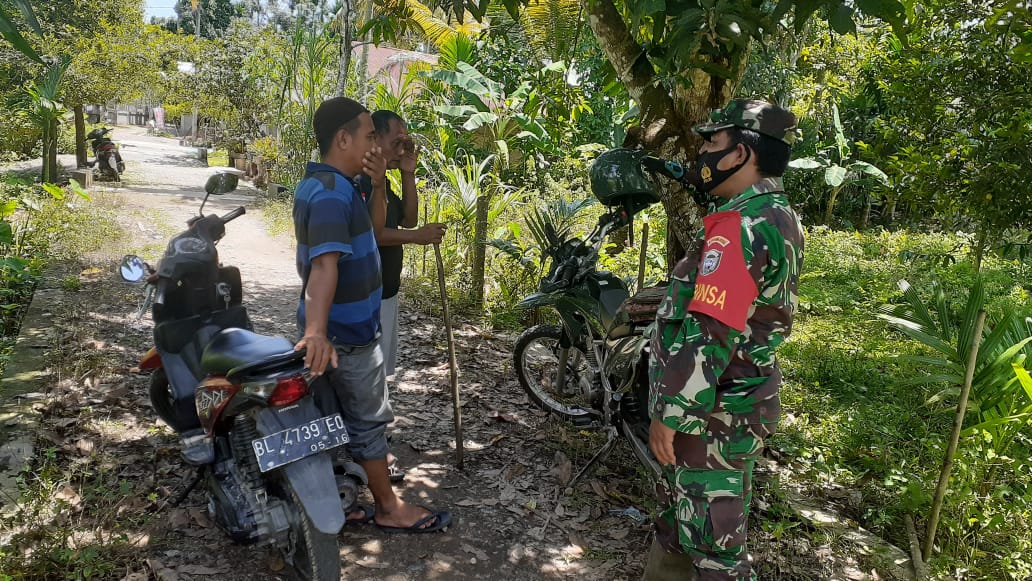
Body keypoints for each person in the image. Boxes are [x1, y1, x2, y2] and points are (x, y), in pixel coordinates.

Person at [644, 99, 804, 580]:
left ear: (740, 153)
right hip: (730, 405)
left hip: (713, 414)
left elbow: (711, 333)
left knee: (716, 552)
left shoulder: (742, 227)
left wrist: (670, 412)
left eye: (712, 142)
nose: (703, 154)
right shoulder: (775, 215)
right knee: (683, 522)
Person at [292, 96, 452, 534]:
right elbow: (324, 267)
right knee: (368, 419)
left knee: (329, 417)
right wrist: (317, 331)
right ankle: (387, 507)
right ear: (343, 140)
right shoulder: (329, 194)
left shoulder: (340, 185)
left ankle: (333, 498)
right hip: (345, 333)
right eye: (368, 136)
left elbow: (372, 229)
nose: (374, 145)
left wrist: (382, 183)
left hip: (348, 327)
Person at [359, 110, 447, 382]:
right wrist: (415, 236)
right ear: (375, 139)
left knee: (379, 375)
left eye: (405, 143)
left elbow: (408, 219)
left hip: (387, 291)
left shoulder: (383, 183)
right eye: (396, 142)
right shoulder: (363, 181)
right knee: (368, 376)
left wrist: (408, 173)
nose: (401, 149)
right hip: (367, 295)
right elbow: (372, 234)